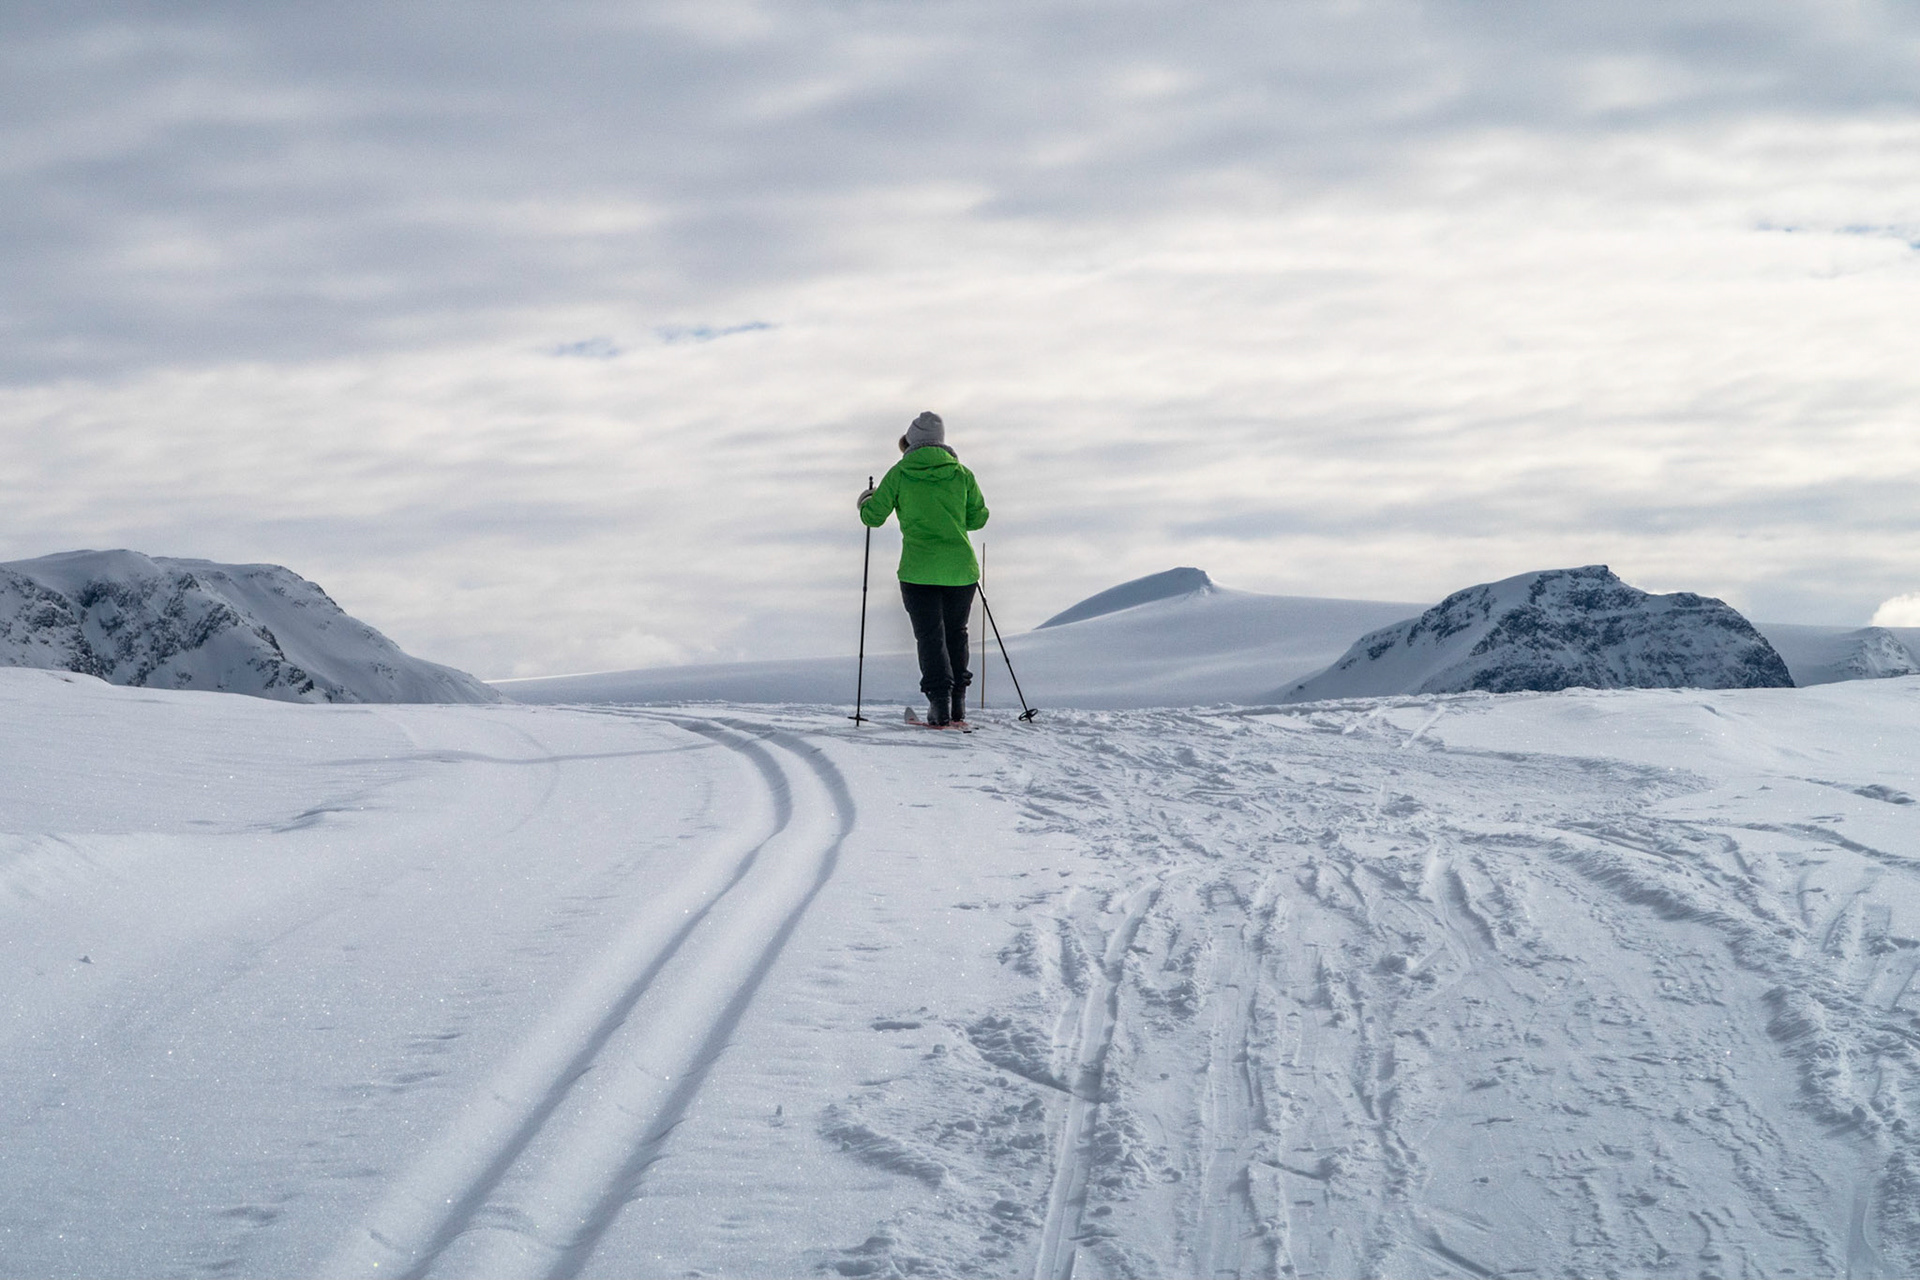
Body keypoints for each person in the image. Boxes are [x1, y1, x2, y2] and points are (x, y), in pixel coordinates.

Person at [858, 411, 989, 727]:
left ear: (911, 442)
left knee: (930, 637)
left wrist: (866, 500)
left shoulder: (900, 473)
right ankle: (958, 706)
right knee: (957, 634)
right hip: (961, 570)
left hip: (918, 572)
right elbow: (978, 518)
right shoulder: (962, 475)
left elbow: (873, 518)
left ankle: (939, 706)